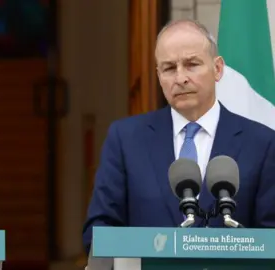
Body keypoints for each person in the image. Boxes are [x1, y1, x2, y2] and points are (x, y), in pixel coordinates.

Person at [82, 19, 275, 253]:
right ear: (158, 75)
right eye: (169, 68)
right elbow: (99, 231)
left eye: (192, 64)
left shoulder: (262, 143)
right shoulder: (125, 139)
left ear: (217, 69)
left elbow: (270, 236)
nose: (180, 78)